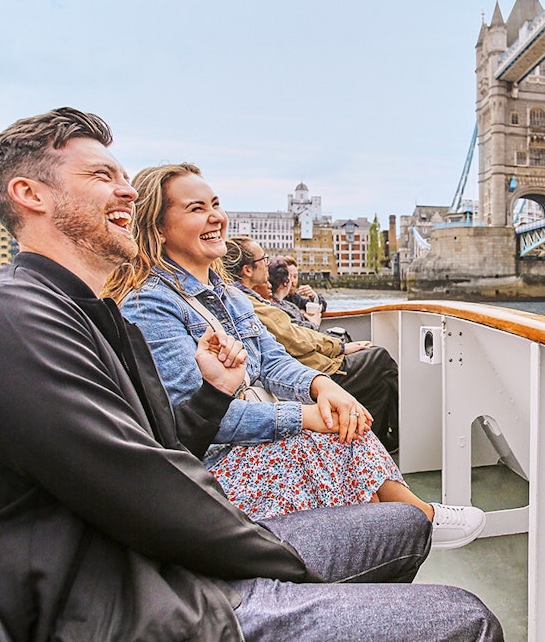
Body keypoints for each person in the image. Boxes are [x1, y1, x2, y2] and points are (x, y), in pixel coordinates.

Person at [0, 107, 502, 642]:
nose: (125, 189)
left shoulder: (90, 314)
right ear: (29, 195)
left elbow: (168, 446)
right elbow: (143, 490)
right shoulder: (6, 322)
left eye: (123, 177)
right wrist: (283, 565)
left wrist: (211, 396)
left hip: (155, 557)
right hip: (118, 601)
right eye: (101, 176)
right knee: (466, 619)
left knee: (403, 525)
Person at [107, 164, 479, 547]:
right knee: (325, 437)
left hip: (245, 437)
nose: (215, 216)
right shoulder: (149, 305)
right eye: (196, 208)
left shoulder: (227, 293)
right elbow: (191, 419)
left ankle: (403, 527)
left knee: (341, 423)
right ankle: (409, 526)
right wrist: (305, 415)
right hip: (208, 465)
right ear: (159, 228)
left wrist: (322, 386)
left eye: (215, 204)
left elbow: (271, 358)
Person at [226, 238, 400, 453]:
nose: (266, 263)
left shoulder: (246, 300)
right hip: (312, 370)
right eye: (263, 259)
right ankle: (399, 434)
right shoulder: (247, 303)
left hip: (306, 367)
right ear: (247, 270)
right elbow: (292, 337)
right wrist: (341, 348)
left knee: (380, 383)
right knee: (380, 357)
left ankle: (375, 441)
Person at [267, 256, 321, 329]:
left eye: (295, 276)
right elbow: (297, 335)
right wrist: (314, 324)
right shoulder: (280, 310)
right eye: (290, 277)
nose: (293, 281)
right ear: (285, 282)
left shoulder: (293, 299)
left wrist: (313, 296)